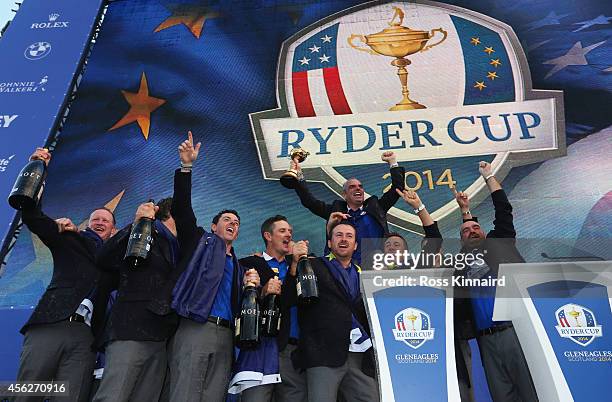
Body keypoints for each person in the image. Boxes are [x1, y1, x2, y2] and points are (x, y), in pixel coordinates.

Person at [15, 148, 116, 402]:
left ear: (114, 231)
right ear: (87, 224)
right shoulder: (69, 239)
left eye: (106, 220)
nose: (100, 222)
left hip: (85, 340)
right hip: (50, 325)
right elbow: (33, 216)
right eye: (95, 219)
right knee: (27, 395)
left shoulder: (117, 262)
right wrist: (37, 169)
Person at [167, 132, 260, 402]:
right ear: (213, 226)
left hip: (226, 335)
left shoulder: (238, 264)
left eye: (237, 222)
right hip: (197, 327)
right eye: (227, 219)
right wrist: (186, 167)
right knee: (185, 394)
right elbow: (182, 209)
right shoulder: (199, 242)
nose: (233, 223)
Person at [455, 161, 538, 402]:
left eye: (476, 228)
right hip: (485, 339)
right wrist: (465, 212)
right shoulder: (461, 263)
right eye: (466, 231)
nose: (472, 231)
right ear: (461, 241)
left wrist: (489, 176)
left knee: (531, 392)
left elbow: (503, 210)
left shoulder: (499, 243)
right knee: (502, 396)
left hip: (515, 331)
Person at [92, 198, 179, 401]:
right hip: (130, 332)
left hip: (160, 339)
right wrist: (137, 222)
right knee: (113, 396)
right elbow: (104, 258)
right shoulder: (146, 231)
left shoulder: (179, 247)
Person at [288, 218, 378, 402]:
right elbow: (291, 298)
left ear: (355, 245)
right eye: (338, 235)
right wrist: (296, 264)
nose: (343, 239)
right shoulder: (314, 265)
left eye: (349, 236)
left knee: (371, 397)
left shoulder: (365, 275)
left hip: (357, 354)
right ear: (330, 243)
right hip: (323, 353)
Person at [230, 216, 307, 401]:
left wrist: (297, 263)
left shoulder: (300, 267)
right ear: (268, 236)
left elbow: (293, 300)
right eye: (282, 231)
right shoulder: (247, 264)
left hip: (292, 352)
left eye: (290, 232)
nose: (288, 234)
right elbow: (236, 301)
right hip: (258, 350)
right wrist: (261, 291)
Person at [288, 151, 405, 262]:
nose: (358, 188)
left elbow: (398, 188)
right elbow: (310, 202)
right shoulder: (335, 211)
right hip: (342, 272)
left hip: (374, 270)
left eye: (360, 186)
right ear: (344, 194)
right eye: (352, 187)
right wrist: (299, 176)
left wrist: (392, 162)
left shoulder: (376, 207)